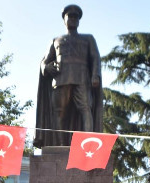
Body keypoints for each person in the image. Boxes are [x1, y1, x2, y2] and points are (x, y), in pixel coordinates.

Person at [34, 4, 103, 147]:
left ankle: (89, 144)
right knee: (59, 113)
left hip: (82, 79)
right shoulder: (55, 40)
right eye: (70, 16)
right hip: (60, 80)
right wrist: (46, 67)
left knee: (85, 109)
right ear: (64, 19)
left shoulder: (88, 39)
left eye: (75, 17)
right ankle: (60, 146)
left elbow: (95, 57)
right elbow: (44, 62)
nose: (73, 19)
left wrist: (95, 75)